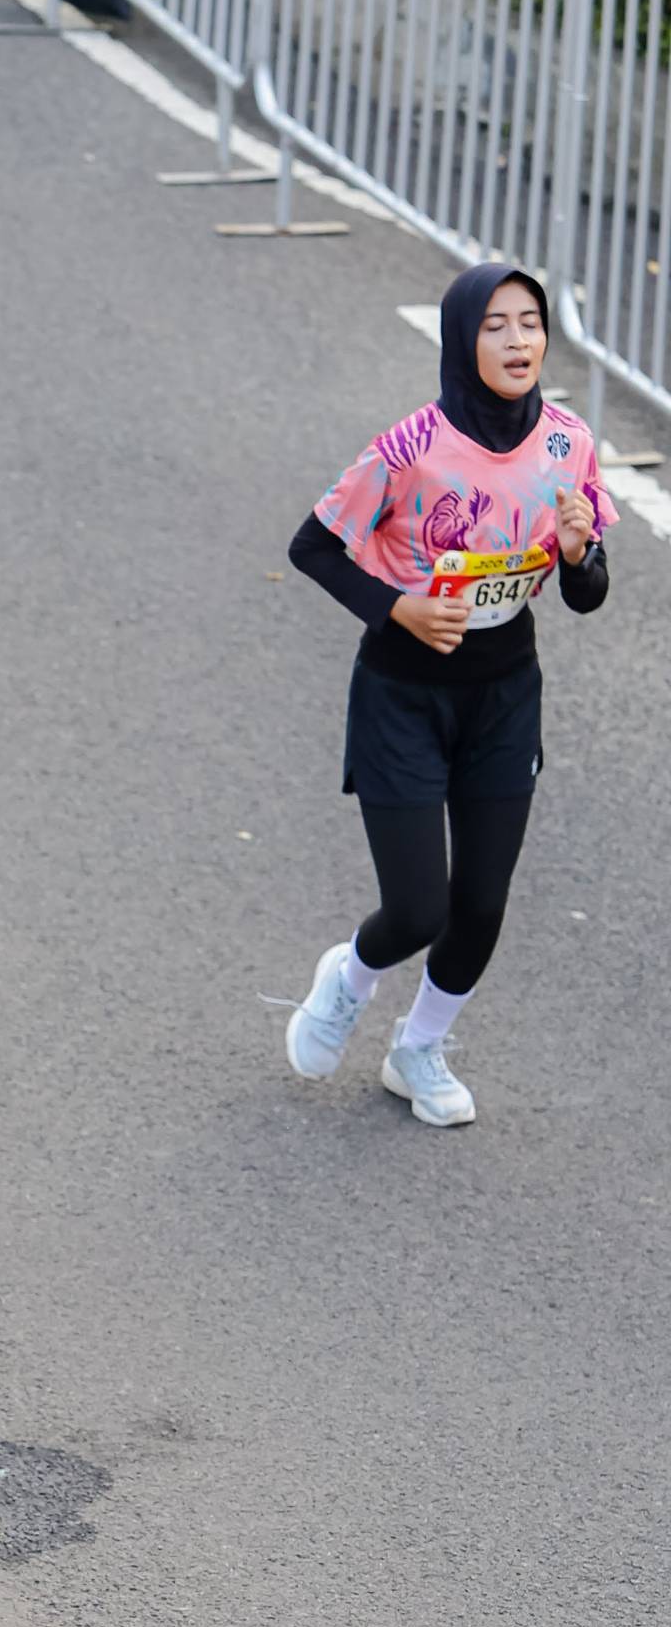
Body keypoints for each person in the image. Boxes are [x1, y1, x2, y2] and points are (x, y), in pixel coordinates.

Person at [281, 261, 614, 1126]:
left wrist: (579, 554)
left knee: (482, 904)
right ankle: (348, 979)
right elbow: (312, 548)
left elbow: (587, 593)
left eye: (530, 322)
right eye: (495, 325)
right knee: (417, 909)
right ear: (463, 340)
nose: (517, 341)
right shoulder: (409, 449)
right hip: (403, 694)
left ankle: (418, 1049)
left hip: (504, 695)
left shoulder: (569, 443)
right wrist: (400, 608)